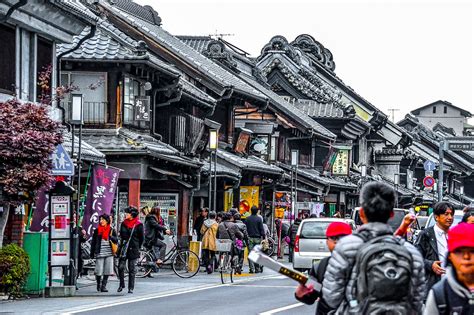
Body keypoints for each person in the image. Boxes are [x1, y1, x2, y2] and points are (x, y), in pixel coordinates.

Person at [322, 182, 426, 314]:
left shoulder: (346, 247)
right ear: (391, 214)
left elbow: (331, 297)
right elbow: (417, 301)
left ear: (361, 213)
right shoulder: (410, 252)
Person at [295, 222, 353, 315]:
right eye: (334, 238)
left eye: (343, 238)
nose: (337, 242)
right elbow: (311, 298)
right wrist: (301, 293)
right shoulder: (320, 266)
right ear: (327, 241)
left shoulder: (362, 262)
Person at [423, 223, 474, 315]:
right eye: (459, 251)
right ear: (450, 256)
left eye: (472, 251)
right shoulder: (439, 294)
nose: (466, 256)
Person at [415, 201, 454, 297]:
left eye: (451, 214)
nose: (450, 217)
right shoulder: (426, 234)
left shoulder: (455, 235)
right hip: (433, 286)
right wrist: (430, 264)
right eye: (446, 214)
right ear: (436, 217)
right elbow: (415, 258)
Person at [118, 206, 144, 294]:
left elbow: (142, 238)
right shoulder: (123, 223)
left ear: (132, 215)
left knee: (132, 269)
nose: (125, 214)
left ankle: (131, 287)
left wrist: (138, 246)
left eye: (127, 213)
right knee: (120, 267)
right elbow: (122, 235)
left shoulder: (139, 224)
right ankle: (121, 284)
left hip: (134, 248)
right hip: (124, 248)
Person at [90, 214, 118, 292]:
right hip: (100, 252)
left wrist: (111, 237)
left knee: (107, 270)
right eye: (100, 219)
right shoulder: (97, 230)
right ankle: (98, 284)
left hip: (109, 252)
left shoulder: (111, 230)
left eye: (103, 219)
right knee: (99, 271)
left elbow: (116, 240)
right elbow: (93, 242)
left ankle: (103, 286)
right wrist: (92, 253)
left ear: (107, 221)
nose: (101, 221)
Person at [245, 206, 266, 273]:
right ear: (257, 211)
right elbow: (261, 229)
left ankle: (251, 268)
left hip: (250, 238)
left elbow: (245, 229)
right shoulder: (259, 219)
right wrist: (264, 237)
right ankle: (257, 268)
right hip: (257, 238)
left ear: (251, 211)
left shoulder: (247, 219)